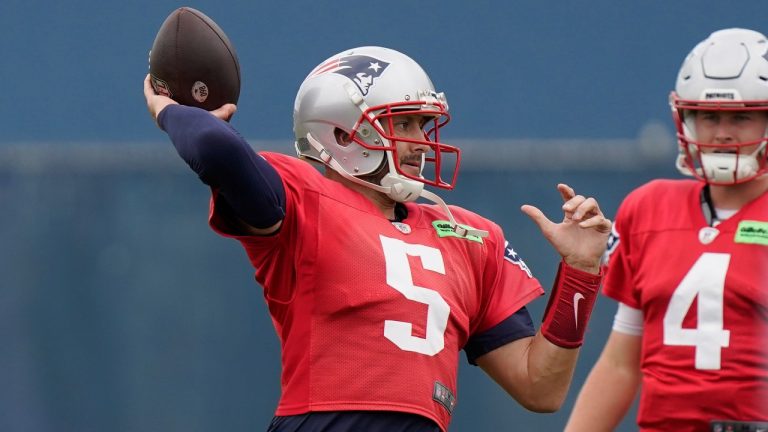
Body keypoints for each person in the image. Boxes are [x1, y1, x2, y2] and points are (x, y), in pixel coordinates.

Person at [143, 46, 611, 432]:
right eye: (402, 124)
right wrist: (170, 111)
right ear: (343, 133)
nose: (421, 143)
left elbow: (540, 387)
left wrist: (581, 275)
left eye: (422, 126)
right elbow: (214, 148)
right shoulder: (304, 199)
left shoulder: (471, 235)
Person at [565, 28, 768, 432]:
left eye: (741, 117)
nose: (722, 133)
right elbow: (622, 364)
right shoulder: (648, 207)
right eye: (708, 116)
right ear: (685, 117)